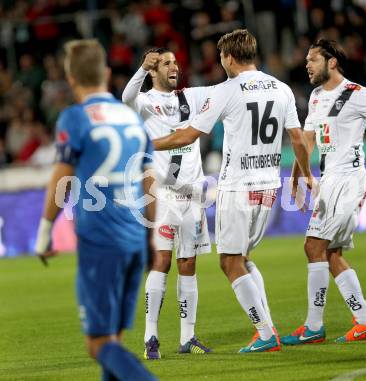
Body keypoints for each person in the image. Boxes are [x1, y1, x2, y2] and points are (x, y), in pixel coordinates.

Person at [151, 29, 314, 353]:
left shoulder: (226, 91)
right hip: (269, 186)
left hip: (238, 187)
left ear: (228, 57)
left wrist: (145, 144)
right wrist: (305, 175)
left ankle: (265, 332)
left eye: (221, 56)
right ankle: (267, 327)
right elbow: (298, 139)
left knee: (229, 262)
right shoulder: (281, 89)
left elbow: (186, 136)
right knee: (243, 258)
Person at [34, 39, 157, 381]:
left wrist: (44, 232)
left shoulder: (74, 118)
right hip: (134, 238)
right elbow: (150, 183)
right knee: (114, 339)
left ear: (71, 78)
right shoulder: (133, 119)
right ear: (105, 73)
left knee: (98, 344)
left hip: (100, 241)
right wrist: (150, 240)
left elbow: (62, 179)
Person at [281, 39, 366, 345]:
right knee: (322, 250)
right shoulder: (317, 96)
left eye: (313, 60)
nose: (307, 65)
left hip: (350, 182)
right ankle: (350, 323)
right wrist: (297, 178)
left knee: (317, 245)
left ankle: (322, 326)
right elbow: (306, 143)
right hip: (327, 181)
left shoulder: (358, 94)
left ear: (331, 62)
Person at [122, 47, 213, 359]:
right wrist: (140, 67)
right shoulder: (145, 102)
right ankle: (151, 337)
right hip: (164, 195)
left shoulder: (191, 98)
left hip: (194, 194)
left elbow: (223, 91)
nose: (175, 66)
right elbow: (125, 97)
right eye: (166, 63)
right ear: (153, 70)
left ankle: (188, 337)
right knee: (162, 260)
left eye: (176, 61)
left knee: (188, 263)